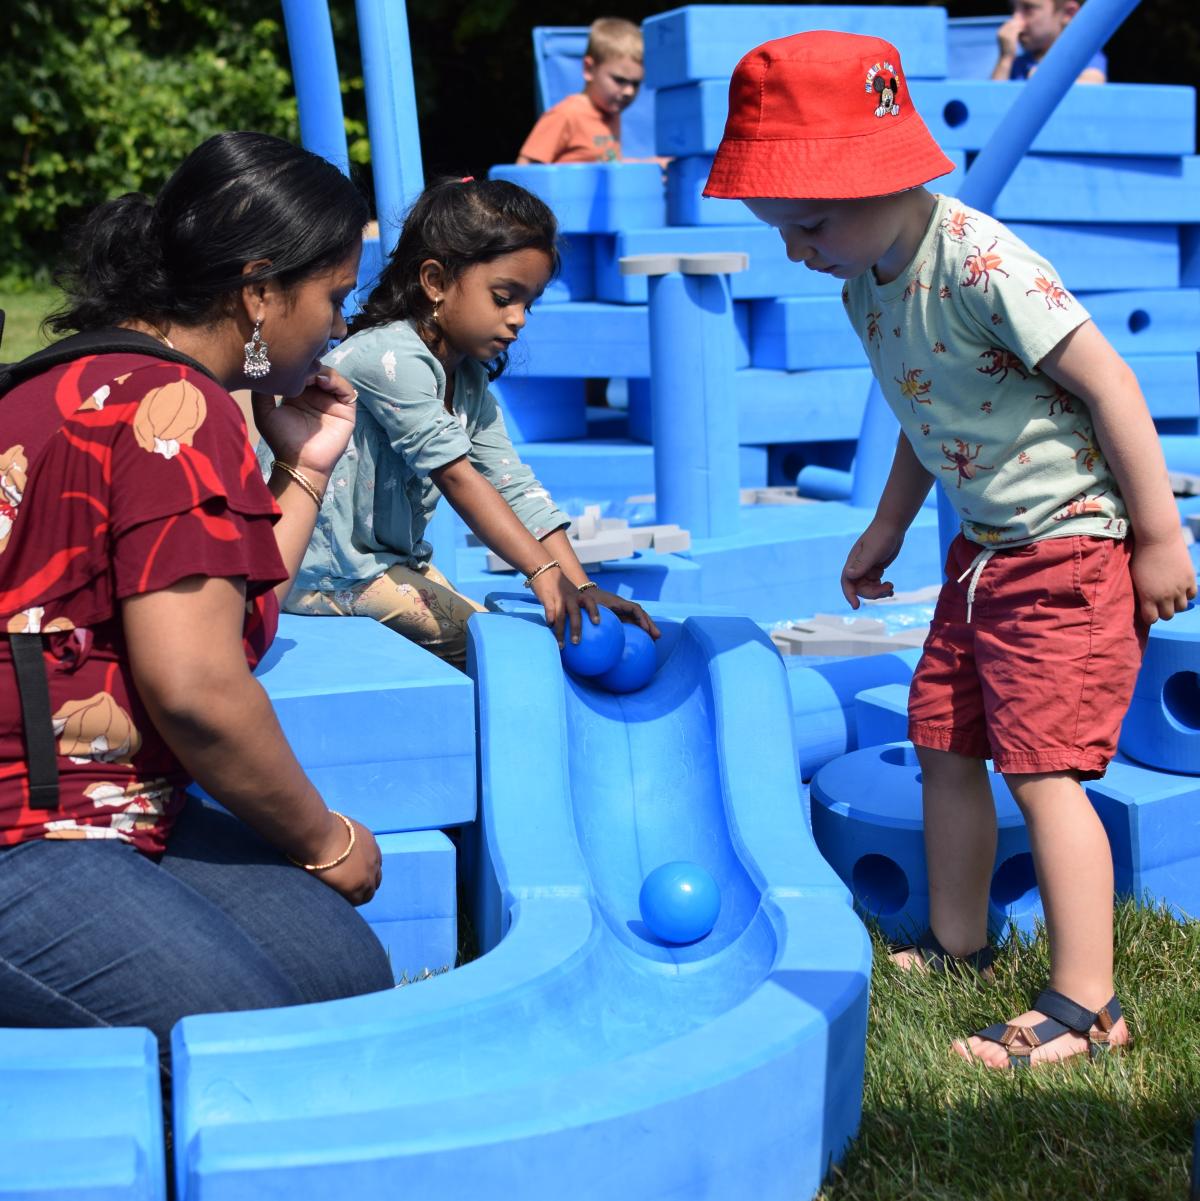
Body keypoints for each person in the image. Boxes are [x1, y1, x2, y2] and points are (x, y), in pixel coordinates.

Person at [704, 31, 1193, 1068]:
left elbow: (1113, 385)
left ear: (881, 174)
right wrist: (885, 523)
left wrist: (1158, 535)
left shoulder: (981, 262)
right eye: (780, 226)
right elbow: (928, 414)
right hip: (983, 555)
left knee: (1043, 770)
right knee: (945, 743)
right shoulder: (863, 282)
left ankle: (1086, 1005)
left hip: (1065, 548)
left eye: (808, 221)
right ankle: (960, 943)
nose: (796, 246)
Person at [0, 131, 395, 1060]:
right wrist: (325, 838)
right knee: (259, 1043)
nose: (338, 327)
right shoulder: (180, 410)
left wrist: (302, 464)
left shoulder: (83, 377)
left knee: (341, 977)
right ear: (259, 291)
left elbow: (222, 633)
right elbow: (197, 689)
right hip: (25, 830)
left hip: (111, 807)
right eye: (334, 298)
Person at [281, 176, 658, 668]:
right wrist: (543, 574)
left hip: (381, 569)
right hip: (324, 576)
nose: (519, 318)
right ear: (435, 281)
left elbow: (512, 483)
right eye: (504, 297)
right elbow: (457, 475)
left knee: (507, 637)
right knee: (499, 657)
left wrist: (582, 584)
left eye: (529, 302)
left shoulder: (468, 378)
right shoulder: (390, 358)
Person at [517, 17, 646, 164]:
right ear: (588, 68)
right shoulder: (566, 114)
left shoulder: (612, 113)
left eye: (636, 84)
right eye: (619, 80)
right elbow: (525, 167)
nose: (629, 91)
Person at [991, 0, 1107, 83]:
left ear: (1069, 13)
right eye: (1013, 8)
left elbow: (1092, 85)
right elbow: (991, 106)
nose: (1015, 19)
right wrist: (1005, 59)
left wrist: (1046, 84)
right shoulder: (1016, 64)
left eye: (1028, 8)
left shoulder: (1083, 58)